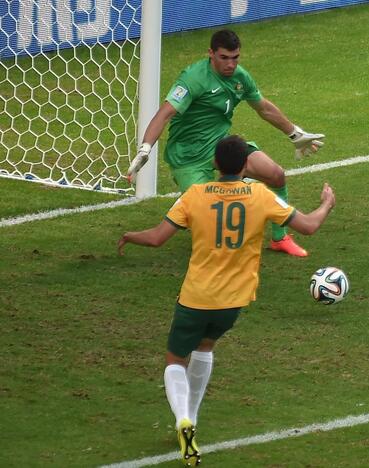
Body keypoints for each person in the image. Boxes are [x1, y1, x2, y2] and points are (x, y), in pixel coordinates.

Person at [118, 135, 336, 466]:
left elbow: (157, 238)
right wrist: (326, 204)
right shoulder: (261, 196)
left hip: (196, 296)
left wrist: (131, 236)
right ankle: (192, 418)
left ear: (215, 164)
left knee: (175, 360)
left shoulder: (195, 196)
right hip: (233, 301)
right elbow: (308, 226)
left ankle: (183, 420)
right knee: (205, 348)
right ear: (246, 165)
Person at [126, 28, 324, 257]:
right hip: (188, 156)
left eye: (235, 58)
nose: (231, 64)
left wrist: (295, 134)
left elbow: (264, 108)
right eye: (224, 58)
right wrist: (145, 148)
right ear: (211, 53)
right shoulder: (193, 79)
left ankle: (280, 238)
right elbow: (164, 114)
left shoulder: (240, 77)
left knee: (275, 174)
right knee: (206, 214)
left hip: (222, 147)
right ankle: (234, 190)